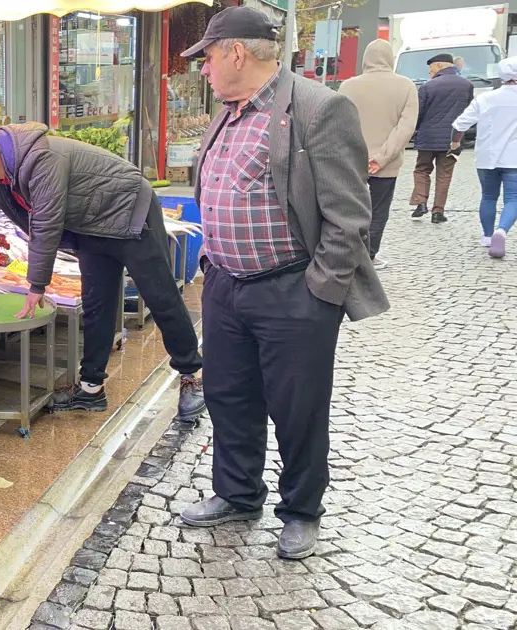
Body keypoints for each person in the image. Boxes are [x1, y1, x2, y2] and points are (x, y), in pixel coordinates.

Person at [177, 7, 389, 560]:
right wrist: (211, 270)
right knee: (228, 397)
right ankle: (237, 493)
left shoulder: (320, 108)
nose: (203, 69)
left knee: (298, 408)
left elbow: (349, 216)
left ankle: (300, 511)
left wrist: (321, 291)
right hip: (225, 286)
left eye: (208, 57)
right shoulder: (226, 112)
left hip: (292, 291)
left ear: (236, 53)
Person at [0, 125, 205, 421]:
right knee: (97, 304)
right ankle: (91, 389)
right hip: (91, 224)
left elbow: (46, 223)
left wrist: (37, 284)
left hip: (128, 209)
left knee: (160, 295)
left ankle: (193, 376)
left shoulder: (41, 160)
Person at [338, 39, 419, 270]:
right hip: (386, 164)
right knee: (378, 210)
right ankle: (369, 256)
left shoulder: (348, 86)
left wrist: (355, 155)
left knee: (349, 208)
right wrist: (381, 158)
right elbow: (405, 128)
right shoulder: (405, 86)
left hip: (351, 161)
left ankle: (347, 252)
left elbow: (340, 124)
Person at [452, 57, 517, 259]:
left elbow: (459, 125)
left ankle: (488, 236)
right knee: (513, 198)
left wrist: (455, 144)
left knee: (488, 196)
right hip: (514, 158)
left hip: (487, 157)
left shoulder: (485, 99)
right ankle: (502, 230)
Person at [410, 53, 474, 224]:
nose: (429, 71)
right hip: (452, 138)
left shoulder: (427, 87)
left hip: (427, 136)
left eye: (431, 67)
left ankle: (421, 202)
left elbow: (418, 113)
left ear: (439, 65)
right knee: (444, 174)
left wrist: (414, 131)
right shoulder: (467, 85)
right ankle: (438, 212)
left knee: (422, 169)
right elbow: (469, 111)